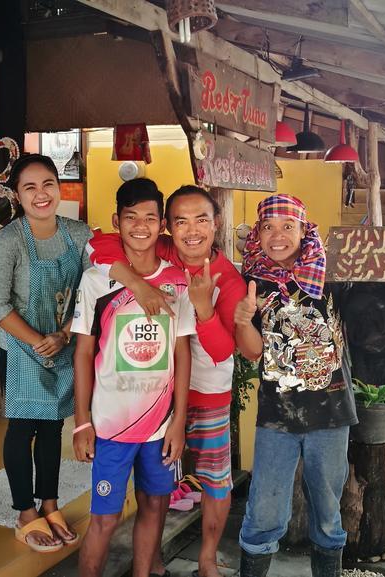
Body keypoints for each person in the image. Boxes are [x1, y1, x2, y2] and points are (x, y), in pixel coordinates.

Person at [233, 194, 385, 577]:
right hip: (276, 417)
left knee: (327, 512)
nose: (277, 235)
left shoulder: (332, 273)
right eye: (268, 227)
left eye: (288, 226)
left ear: (305, 230)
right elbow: (253, 353)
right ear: (257, 232)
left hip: (332, 414)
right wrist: (242, 320)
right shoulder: (251, 279)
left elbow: (362, 324)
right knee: (264, 512)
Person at [87, 185, 246, 577]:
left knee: (212, 477)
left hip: (206, 392)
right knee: (157, 487)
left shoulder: (230, 278)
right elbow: (100, 246)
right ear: (168, 228)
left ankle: (206, 559)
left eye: (202, 220)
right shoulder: (162, 255)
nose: (192, 231)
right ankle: (152, 560)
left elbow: (224, 351)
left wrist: (205, 308)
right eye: (181, 221)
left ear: (217, 223)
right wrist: (136, 282)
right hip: (152, 397)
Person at [71, 178, 196, 577]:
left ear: (161, 225)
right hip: (110, 424)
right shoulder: (96, 281)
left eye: (149, 218)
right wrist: (82, 421)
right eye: (130, 218)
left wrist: (178, 421)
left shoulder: (178, 282)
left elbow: (181, 351)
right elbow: (84, 351)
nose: (140, 226)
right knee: (105, 520)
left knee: (155, 505)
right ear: (116, 221)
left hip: (160, 426)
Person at [0, 153, 92, 553]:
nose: (41, 194)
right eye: (30, 187)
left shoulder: (79, 235)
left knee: (52, 428)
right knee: (23, 427)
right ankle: (25, 512)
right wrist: (36, 339)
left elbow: (94, 287)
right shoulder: (9, 240)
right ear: (17, 195)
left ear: (59, 188)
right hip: (23, 348)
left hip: (64, 343)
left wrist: (64, 333)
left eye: (48, 184)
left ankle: (50, 504)